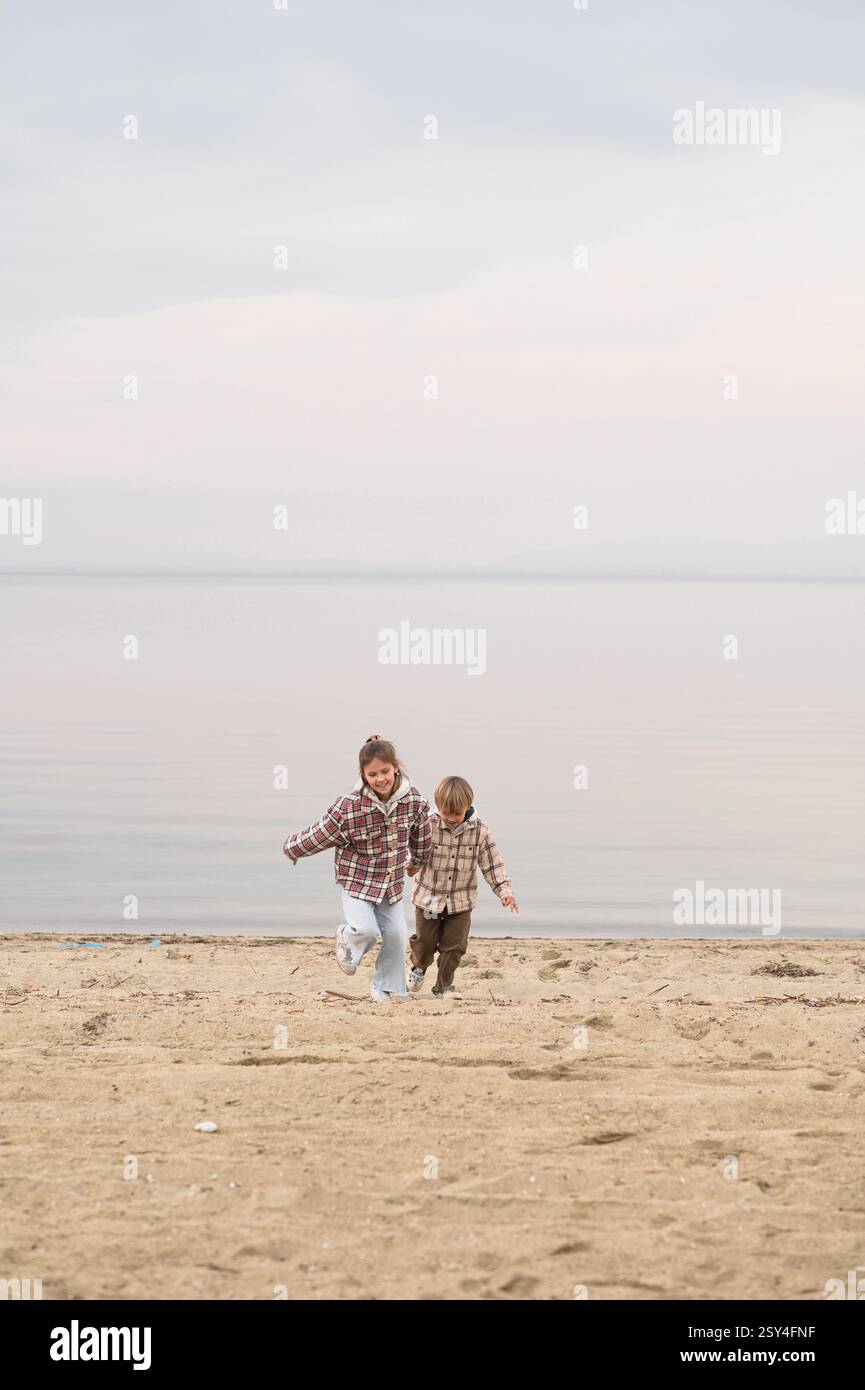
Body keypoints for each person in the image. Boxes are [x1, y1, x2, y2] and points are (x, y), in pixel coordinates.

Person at [283, 736, 431, 1001]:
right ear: (363, 775)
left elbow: (421, 834)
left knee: (397, 936)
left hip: (390, 883)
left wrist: (417, 861)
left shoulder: (413, 800)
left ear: (395, 767)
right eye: (372, 774)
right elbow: (322, 833)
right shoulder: (350, 806)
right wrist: (294, 848)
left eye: (384, 771)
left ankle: (385, 987)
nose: (380, 779)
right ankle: (347, 938)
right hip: (356, 880)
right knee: (367, 931)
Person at [407, 775, 518, 998]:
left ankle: (444, 987)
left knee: (454, 947)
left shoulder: (480, 832)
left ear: (468, 806)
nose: (451, 818)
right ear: (438, 807)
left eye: (457, 814)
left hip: (461, 902)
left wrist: (504, 892)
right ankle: (418, 966)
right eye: (446, 813)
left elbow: (493, 865)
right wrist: (411, 864)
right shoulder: (426, 826)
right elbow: (411, 849)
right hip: (429, 898)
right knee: (425, 942)